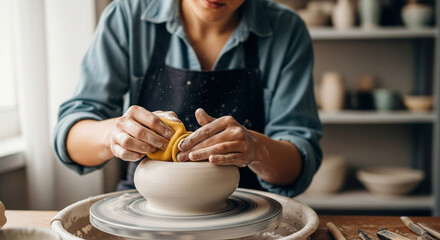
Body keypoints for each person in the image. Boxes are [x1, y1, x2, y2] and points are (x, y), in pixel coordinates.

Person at [53, 0, 322, 197]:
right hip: (146, 207)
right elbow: (70, 139)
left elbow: (297, 166)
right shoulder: (128, 16)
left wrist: (257, 149)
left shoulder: (286, 30)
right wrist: (112, 134)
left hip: (245, 209)